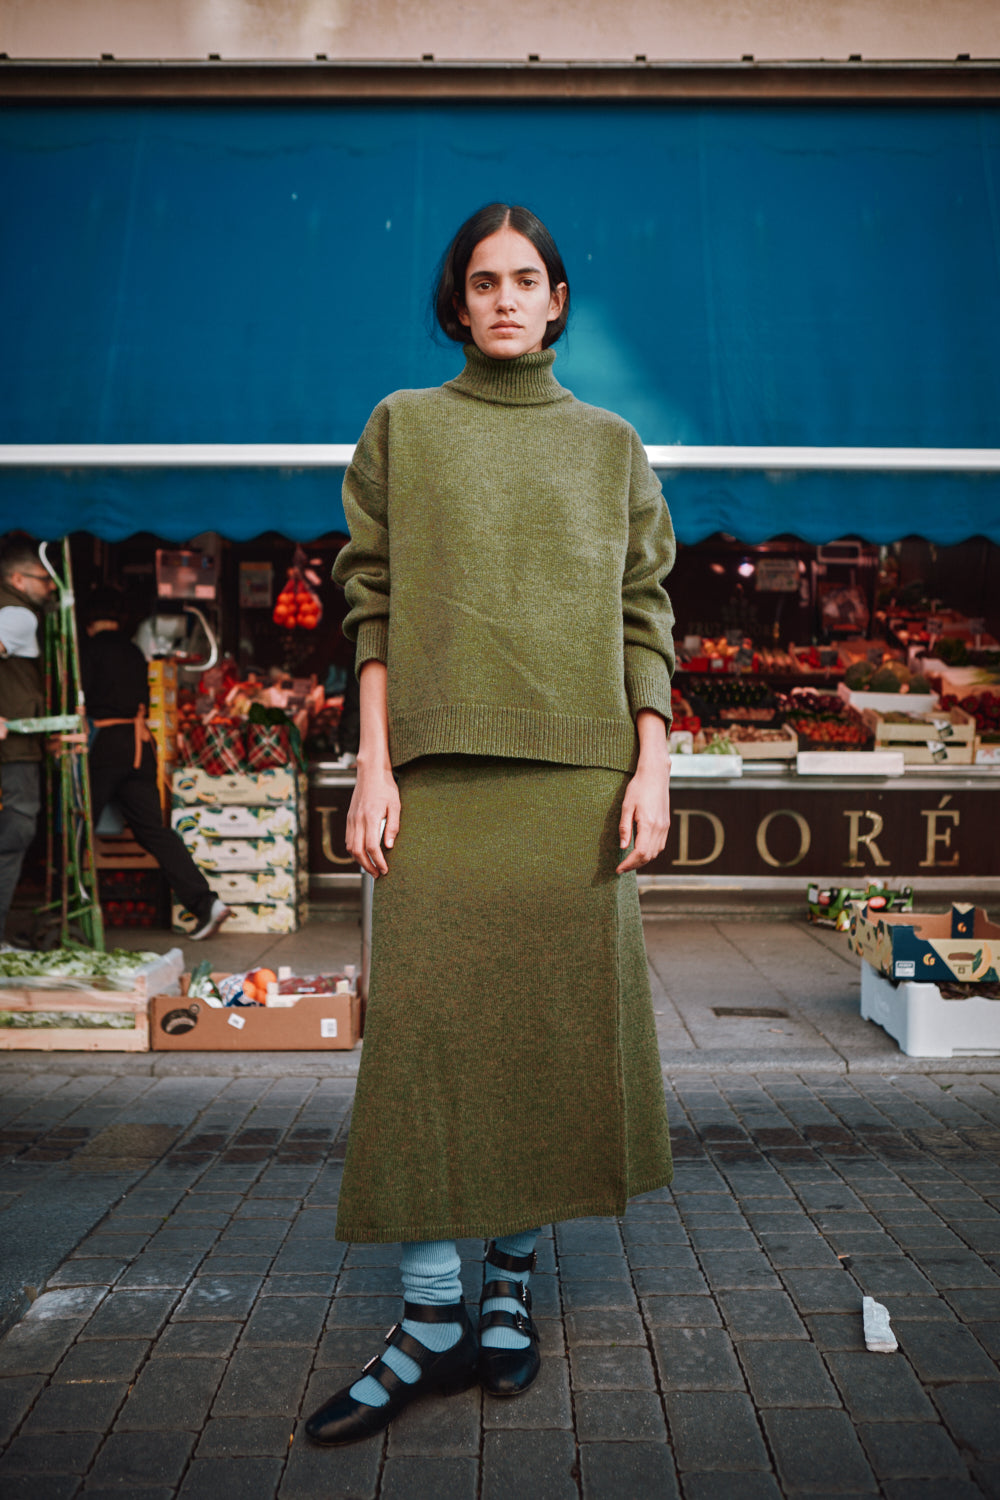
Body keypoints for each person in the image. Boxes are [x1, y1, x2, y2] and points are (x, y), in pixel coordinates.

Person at [305, 203, 676, 1448]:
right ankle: (425, 1321)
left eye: (528, 279)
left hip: (574, 792)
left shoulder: (612, 446)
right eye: (483, 281)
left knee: (539, 1043)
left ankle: (506, 1294)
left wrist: (652, 766)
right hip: (437, 788)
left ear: (560, 299)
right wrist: (373, 766)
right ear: (454, 304)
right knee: (425, 1048)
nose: (506, 298)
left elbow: (644, 613)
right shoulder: (403, 429)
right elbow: (374, 606)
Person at [80, 589, 232, 941]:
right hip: (141, 746)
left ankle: (75, 906)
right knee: (154, 833)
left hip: (107, 747)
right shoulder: (134, 652)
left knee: (78, 827)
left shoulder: (89, 651)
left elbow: (81, 700)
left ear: (88, 623)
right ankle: (206, 902)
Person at [0, 538, 56, 942]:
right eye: (43, 579)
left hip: (18, 742)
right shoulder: (19, 616)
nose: (51, 587)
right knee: (16, 831)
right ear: (18, 579)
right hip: (12, 748)